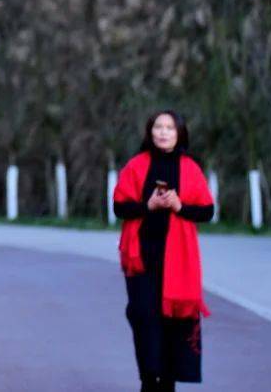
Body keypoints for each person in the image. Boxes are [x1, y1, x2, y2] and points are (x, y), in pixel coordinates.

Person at [113, 110, 214, 392]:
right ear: (150, 131)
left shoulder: (190, 168)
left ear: (179, 133)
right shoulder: (136, 165)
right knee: (143, 316)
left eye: (170, 127)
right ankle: (148, 379)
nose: (163, 132)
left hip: (178, 260)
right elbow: (119, 207)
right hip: (141, 258)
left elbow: (207, 211)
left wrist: (180, 206)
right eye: (158, 127)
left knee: (172, 321)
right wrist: (149, 206)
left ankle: (168, 382)